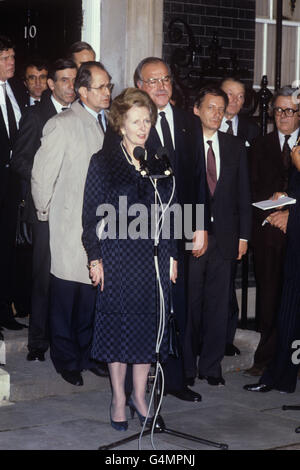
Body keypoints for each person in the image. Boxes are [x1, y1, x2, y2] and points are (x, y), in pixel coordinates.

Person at [82, 87, 177, 430]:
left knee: (145, 329)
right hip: (118, 257)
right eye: (136, 120)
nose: (143, 126)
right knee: (119, 329)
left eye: (147, 120)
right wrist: (95, 259)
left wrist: (171, 257)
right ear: (120, 123)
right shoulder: (104, 161)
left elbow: (171, 212)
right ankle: (118, 399)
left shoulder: (159, 160)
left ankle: (140, 396)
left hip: (152, 259)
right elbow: (90, 216)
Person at [31, 61, 112, 384]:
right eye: (101, 87)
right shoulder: (62, 124)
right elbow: (41, 177)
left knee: (92, 296)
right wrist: (48, 216)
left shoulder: (109, 124)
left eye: (109, 86)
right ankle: (65, 360)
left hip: (101, 228)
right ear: (82, 91)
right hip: (69, 228)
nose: (107, 92)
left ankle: (88, 354)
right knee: (66, 296)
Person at [134, 57, 208, 402]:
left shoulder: (188, 124)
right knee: (149, 306)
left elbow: (196, 181)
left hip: (180, 230)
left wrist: (199, 226)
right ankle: (143, 380)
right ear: (139, 86)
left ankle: (176, 380)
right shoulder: (131, 124)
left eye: (165, 79)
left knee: (179, 304)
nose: (161, 86)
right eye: (153, 81)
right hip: (144, 232)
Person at [11, 58, 78, 361]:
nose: (70, 86)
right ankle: (38, 343)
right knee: (43, 277)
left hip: (75, 210)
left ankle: (67, 337)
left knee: (70, 276)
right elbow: (20, 160)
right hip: (45, 208)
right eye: (64, 80)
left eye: (74, 80)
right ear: (51, 84)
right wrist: (50, 179)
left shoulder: (81, 115)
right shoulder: (36, 116)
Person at [184, 87, 251, 386]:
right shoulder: (184, 144)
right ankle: (186, 367)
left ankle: (211, 366)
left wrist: (244, 237)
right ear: (196, 109)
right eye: (210, 107)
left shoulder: (235, 146)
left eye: (221, 109)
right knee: (190, 304)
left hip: (225, 238)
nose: (216, 113)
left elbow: (243, 194)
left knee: (218, 304)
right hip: (193, 236)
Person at [246, 86, 300, 377]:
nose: (284, 116)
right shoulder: (260, 145)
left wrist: (291, 213)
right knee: (268, 297)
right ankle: (265, 358)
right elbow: (250, 188)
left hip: (298, 230)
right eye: (279, 110)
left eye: (290, 111)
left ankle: (294, 360)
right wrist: (271, 215)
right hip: (268, 233)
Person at [220, 77, 260, 357]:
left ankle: (225, 337)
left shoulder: (251, 130)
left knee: (228, 281)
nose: (234, 100)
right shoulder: (201, 124)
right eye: (229, 94)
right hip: (206, 216)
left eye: (240, 96)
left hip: (236, 217)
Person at [0, 35, 28, 333]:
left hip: (11, 181)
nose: (11, 63)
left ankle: (4, 311)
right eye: (5, 58)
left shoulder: (16, 89)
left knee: (7, 247)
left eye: (12, 56)